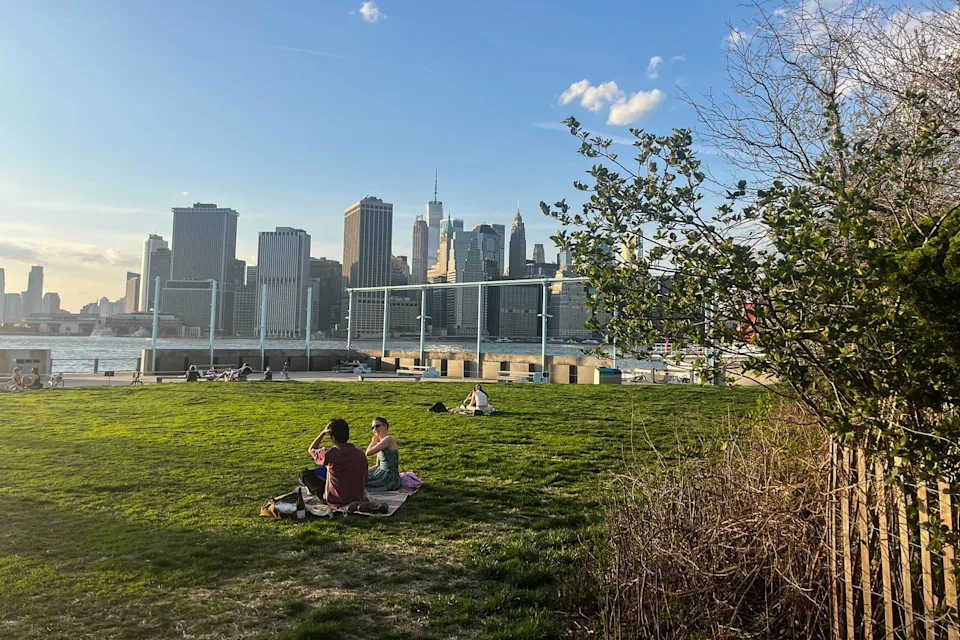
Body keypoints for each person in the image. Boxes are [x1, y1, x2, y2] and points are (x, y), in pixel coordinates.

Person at [300, 418, 368, 508]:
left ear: (333, 438)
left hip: (336, 498)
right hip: (358, 495)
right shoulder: (360, 453)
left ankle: (322, 498)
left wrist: (323, 432)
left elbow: (311, 449)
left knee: (304, 474)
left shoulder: (329, 454)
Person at [365, 417, 400, 492]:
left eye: (377, 426)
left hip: (389, 478)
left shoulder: (389, 439)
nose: (375, 429)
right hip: (380, 472)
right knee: (359, 477)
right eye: (372, 427)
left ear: (385, 426)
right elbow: (378, 465)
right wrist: (364, 471)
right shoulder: (380, 442)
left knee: (361, 484)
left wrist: (373, 442)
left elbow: (368, 453)